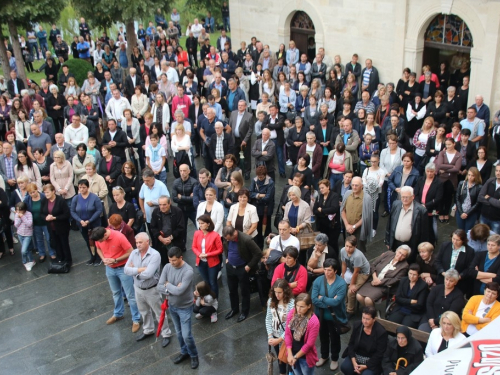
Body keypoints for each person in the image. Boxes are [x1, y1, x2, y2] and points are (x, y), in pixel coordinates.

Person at [124, 232, 172, 345]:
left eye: (140, 242)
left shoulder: (155, 255)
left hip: (152, 289)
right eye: (136, 242)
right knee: (144, 311)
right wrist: (140, 270)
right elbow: (126, 270)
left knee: (159, 313)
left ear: (147, 242)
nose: (138, 245)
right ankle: (148, 330)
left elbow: (148, 274)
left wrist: (134, 271)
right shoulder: (134, 253)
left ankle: (166, 333)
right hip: (138, 288)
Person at [91, 227, 141, 332]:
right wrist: (103, 258)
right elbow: (98, 248)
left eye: (101, 240)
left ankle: (136, 319)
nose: (100, 242)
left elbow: (130, 252)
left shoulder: (119, 237)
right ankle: (118, 314)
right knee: (116, 292)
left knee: (130, 295)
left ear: (105, 235)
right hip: (109, 268)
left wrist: (115, 260)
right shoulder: (99, 238)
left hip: (123, 268)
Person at [311, 259, 347, 371]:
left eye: (329, 270)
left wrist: (322, 298)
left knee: (335, 338)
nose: (326, 272)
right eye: (325, 269)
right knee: (323, 336)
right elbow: (313, 299)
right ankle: (324, 355)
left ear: (335, 271)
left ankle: (335, 358)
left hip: (335, 317)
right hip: (320, 316)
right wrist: (329, 301)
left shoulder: (341, 284)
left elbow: (337, 302)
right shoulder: (318, 281)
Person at [222, 225, 262, 322]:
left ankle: (244, 312)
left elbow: (258, 253)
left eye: (229, 238)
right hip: (230, 267)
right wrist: (227, 258)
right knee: (232, 290)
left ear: (234, 233)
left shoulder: (246, 240)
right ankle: (234, 309)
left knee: (244, 291)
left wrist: (249, 266)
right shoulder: (227, 239)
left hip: (242, 268)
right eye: (226, 239)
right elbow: (225, 247)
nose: (228, 240)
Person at [385, 186, 429, 263]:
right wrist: (388, 241)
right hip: (395, 243)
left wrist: (420, 249)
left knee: (408, 264)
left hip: (410, 245)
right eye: (403, 197)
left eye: (407, 197)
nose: (404, 199)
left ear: (413, 197)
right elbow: (389, 224)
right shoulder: (396, 204)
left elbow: (424, 232)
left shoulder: (421, 210)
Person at [340, 306, 388, 375]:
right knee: (345, 367)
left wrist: (366, 366)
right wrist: (353, 361)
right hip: (357, 356)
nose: (364, 321)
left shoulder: (381, 332)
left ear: (374, 319)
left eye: (368, 319)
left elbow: (379, 354)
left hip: (371, 360)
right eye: (363, 318)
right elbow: (351, 344)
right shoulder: (357, 325)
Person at [284, 293, 320, 374]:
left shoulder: (314, 321)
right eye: (297, 305)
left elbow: (309, 344)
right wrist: (290, 354)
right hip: (292, 353)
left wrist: (295, 357)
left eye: (302, 306)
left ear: (309, 306)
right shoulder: (292, 313)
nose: (298, 309)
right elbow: (287, 334)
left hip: (305, 358)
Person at [266, 279, 295, 375]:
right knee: (280, 357)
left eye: (279, 292)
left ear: (285, 291)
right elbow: (268, 318)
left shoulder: (291, 303)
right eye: (275, 292)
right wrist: (270, 336)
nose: (277, 295)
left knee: (289, 358)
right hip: (274, 335)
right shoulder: (271, 300)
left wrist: (279, 339)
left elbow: (290, 325)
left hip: (287, 337)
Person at [70, 179, 103, 265]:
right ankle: (92, 256)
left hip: (94, 223)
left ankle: (99, 257)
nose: (81, 189)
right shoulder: (76, 198)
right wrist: (80, 220)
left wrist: (89, 220)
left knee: (96, 240)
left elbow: (99, 210)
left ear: (88, 187)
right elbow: (72, 211)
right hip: (82, 224)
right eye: (80, 187)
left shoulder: (94, 197)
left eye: (84, 187)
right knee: (87, 240)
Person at [386, 263, 429, 328]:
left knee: (405, 328)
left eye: (414, 275)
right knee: (390, 324)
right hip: (400, 309)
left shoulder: (423, 286)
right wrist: (411, 301)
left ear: (418, 275)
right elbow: (397, 298)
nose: (411, 276)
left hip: (413, 313)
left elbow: (419, 305)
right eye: (410, 273)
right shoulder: (403, 280)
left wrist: (403, 301)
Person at [192, 214, 223, 301]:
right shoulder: (197, 233)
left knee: (213, 282)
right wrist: (199, 254)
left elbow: (220, 250)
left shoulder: (215, 235)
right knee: (206, 282)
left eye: (202, 223)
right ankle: (208, 299)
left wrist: (207, 254)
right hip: (201, 262)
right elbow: (194, 246)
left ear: (208, 224)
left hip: (212, 263)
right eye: (199, 223)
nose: (200, 225)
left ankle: (215, 300)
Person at [435, 229, 475, 295]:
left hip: (459, 282)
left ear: (463, 240)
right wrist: (443, 272)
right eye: (453, 238)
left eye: (458, 240)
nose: (455, 242)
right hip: (443, 279)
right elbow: (437, 261)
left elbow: (469, 268)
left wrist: (459, 276)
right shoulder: (445, 246)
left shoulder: (469, 251)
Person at [41, 184, 72, 266]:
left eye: (47, 192)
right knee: (56, 243)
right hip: (51, 228)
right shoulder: (44, 201)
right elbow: (41, 213)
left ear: (53, 191)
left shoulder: (60, 200)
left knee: (64, 244)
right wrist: (46, 217)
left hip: (62, 227)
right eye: (45, 192)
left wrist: (55, 218)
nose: (46, 194)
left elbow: (66, 214)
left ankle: (68, 260)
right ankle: (60, 258)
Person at [149, 195, 186, 265]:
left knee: (176, 262)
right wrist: (160, 238)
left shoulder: (177, 211)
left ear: (170, 203)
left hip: (175, 241)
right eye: (160, 205)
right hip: (161, 243)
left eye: (164, 205)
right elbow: (153, 227)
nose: (162, 207)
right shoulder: (156, 212)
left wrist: (170, 238)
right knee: (164, 262)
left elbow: (181, 228)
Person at [340, 177, 373, 252]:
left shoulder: (366, 198)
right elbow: (342, 210)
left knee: (359, 250)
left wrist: (354, 227)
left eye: (356, 185)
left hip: (359, 229)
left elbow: (366, 217)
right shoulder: (347, 194)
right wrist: (347, 225)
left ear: (362, 186)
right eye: (353, 185)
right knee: (348, 249)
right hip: (347, 228)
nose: (354, 187)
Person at [25, 183, 55, 262]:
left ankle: (52, 253)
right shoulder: (27, 199)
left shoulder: (43, 196)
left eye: (34, 192)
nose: (32, 194)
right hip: (36, 223)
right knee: (39, 239)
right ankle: (42, 253)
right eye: (30, 193)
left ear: (37, 189)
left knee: (49, 238)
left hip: (45, 222)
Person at [414, 162, 443, 245]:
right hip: (420, 207)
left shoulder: (439, 182)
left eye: (431, 171)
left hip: (432, 209)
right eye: (428, 171)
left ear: (434, 172)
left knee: (431, 225)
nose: (430, 173)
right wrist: (419, 204)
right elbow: (416, 193)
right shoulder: (421, 179)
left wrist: (426, 205)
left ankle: (432, 241)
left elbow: (438, 198)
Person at [172, 164, 198, 246]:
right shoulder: (176, 182)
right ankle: (182, 246)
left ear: (189, 171)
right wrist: (188, 198)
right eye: (181, 171)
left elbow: (194, 199)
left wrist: (181, 197)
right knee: (182, 229)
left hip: (193, 209)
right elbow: (174, 198)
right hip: (181, 210)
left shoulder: (194, 182)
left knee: (199, 226)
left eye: (184, 170)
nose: (182, 172)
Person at [313, 179, 341, 252]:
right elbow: (315, 210)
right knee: (322, 243)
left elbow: (334, 208)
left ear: (328, 187)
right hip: (322, 225)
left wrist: (322, 210)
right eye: (320, 188)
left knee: (332, 244)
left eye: (322, 188)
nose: (321, 190)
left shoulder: (334, 196)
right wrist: (325, 213)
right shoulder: (319, 197)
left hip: (332, 226)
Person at [229, 100, 254, 179]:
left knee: (246, 156)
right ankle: (236, 171)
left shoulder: (249, 116)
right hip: (234, 138)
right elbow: (230, 125)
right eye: (239, 105)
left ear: (245, 106)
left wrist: (245, 140)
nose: (240, 106)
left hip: (244, 139)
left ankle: (247, 172)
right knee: (235, 155)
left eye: (242, 105)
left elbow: (250, 130)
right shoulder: (233, 113)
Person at [455, 167, 482, 232]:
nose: (470, 177)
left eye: (472, 175)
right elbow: (457, 198)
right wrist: (461, 212)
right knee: (460, 231)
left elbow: (477, 203)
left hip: (471, 213)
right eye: (469, 175)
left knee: (468, 232)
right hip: (461, 211)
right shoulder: (462, 183)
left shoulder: (479, 187)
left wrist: (467, 213)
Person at [478, 164, 500, 234]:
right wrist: (493, 203)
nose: (498, 173)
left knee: (494, 241)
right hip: (484, 216)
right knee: (481, 236)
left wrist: (489, 198)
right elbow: (480, 197)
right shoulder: (490, 181)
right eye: (496, 170)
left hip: (496, 219)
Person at [14, 202, 35, 271]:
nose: (18, 212)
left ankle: (24, 262)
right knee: (27, 249)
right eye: (17, 210)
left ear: (24, 209)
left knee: (23, 250)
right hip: (20, 234)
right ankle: (31, 260)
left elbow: (29, 224)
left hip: (27, 235)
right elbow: (16, 225)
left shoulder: (29, 214)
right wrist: (19, 218)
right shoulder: (17, 214)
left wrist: (22, 217)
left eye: (20, 210)